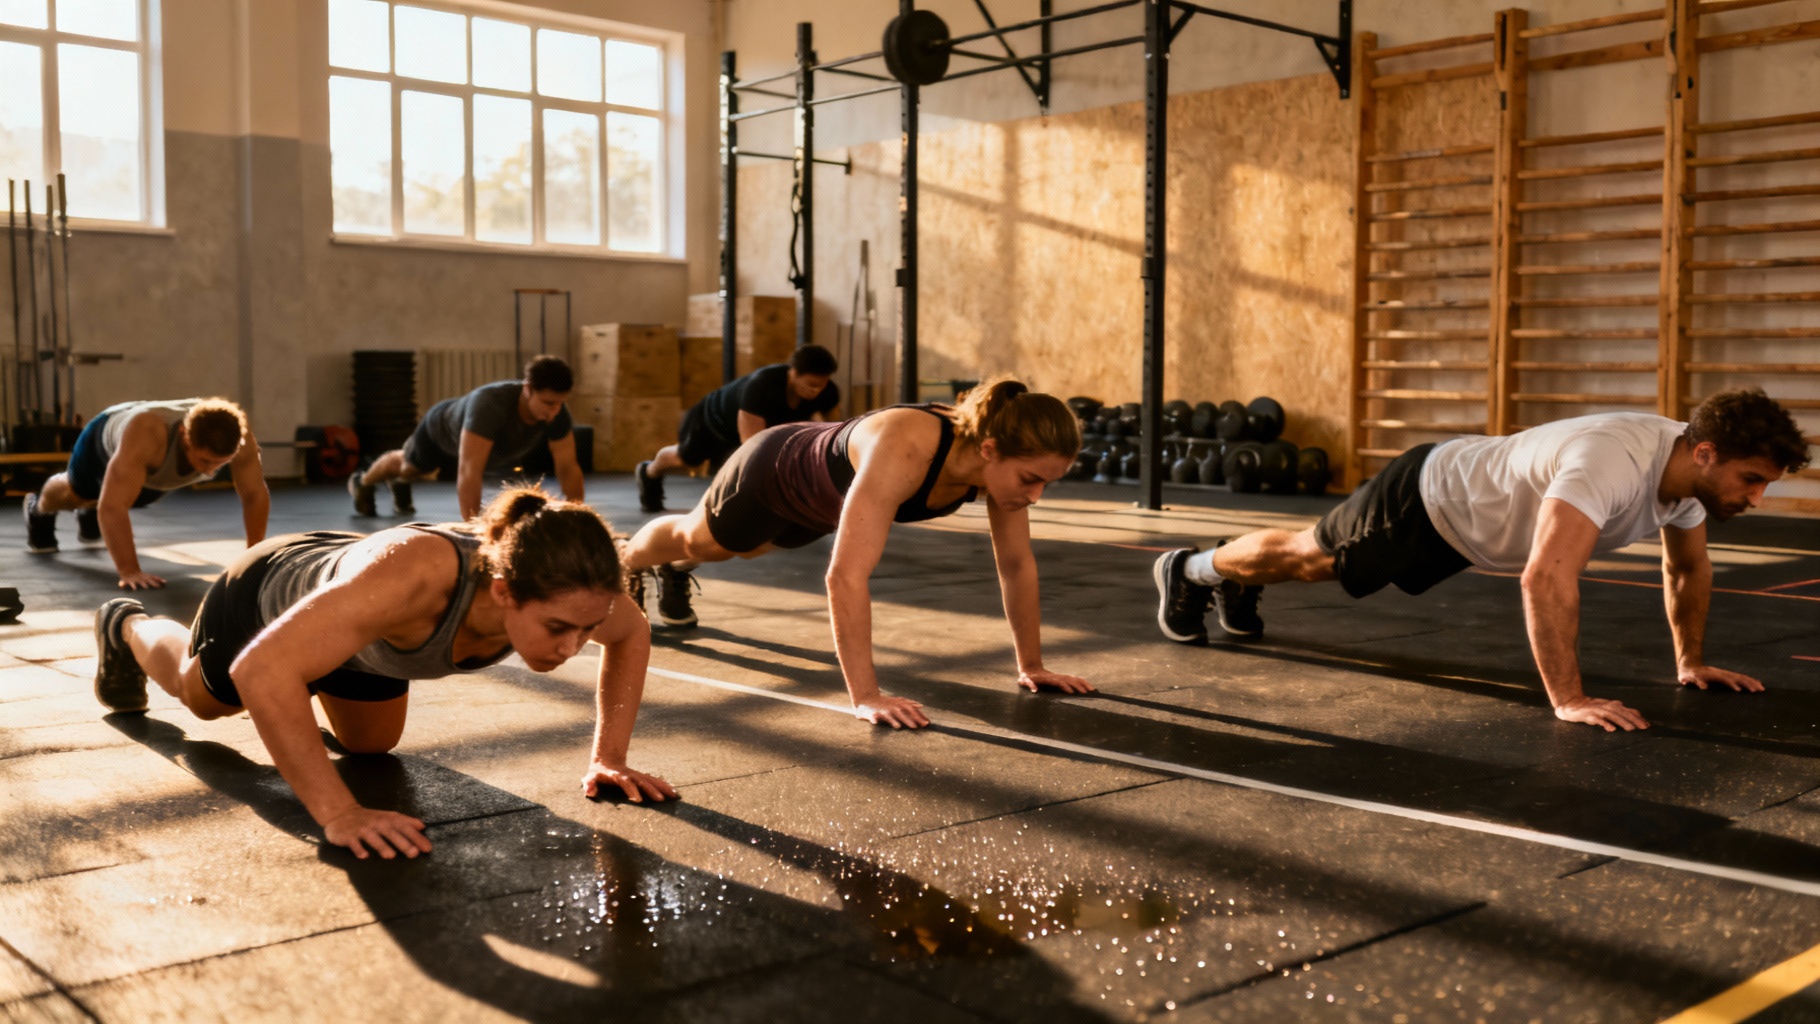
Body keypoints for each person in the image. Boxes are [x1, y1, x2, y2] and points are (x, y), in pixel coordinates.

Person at [1152, 389, 1811, 733]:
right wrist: (1569, 699)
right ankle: (1192, 571)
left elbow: (1688, 569)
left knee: (1315, 563)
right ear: (1705, 453)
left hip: (1468, 528)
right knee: (1309, 559)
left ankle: (1228, 580)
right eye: (1751, 479)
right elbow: (1546, 576)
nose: (1755, 498)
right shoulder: (1610, 463)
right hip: (1430, 497)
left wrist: (1690, 661)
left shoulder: (1689, 487)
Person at [89, 488, 673, 860]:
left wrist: (610, 757)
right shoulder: (413, 581)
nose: (573, 647)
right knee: (206, 701)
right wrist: (338, 815)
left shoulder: (578, 592)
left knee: (371, 745)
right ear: (502, 591)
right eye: (557, 629)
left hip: (355, 630)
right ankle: (128, 626)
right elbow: (259, 667)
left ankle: (309, 664)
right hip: (265, 594)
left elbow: (630, 632)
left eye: (585, 628)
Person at [621, 376, 1095, 729]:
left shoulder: (1001, 470)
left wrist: (1031, 666)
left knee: (749, 550)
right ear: (989, 449)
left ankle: (678, 570)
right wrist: (866, 695)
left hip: (816, 506)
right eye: (1031, 480)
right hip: (773, 471)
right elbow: (844, 577)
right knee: (700, 541)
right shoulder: (907, 447)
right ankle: (625, 557)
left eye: (1045, 483)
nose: (1035, 496)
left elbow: (1016, 564)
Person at [23, 398, 269, 591]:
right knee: (74, 494)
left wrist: (253, 558)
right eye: (205, 460)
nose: (210, 470)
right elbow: (112, 508)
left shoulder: (242, 438)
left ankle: (91, 506)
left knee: (130, 495)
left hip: (151, 476)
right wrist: (129, 571)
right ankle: (36, 507)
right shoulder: (147, 434)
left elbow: (254, 494)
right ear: (184, 436)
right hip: (102, 441)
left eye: (220, 463)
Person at [352, 355, 582, 520]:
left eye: (560, 403)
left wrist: (578, 519)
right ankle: (363, 482)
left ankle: (400, 484)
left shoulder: (557, 414)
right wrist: (474, 530)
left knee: (412, 473)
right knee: (408, 467)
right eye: (548, 403)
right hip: (439, 432)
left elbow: (567, 468)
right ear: (528, 389)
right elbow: (470, 471)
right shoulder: (490, 406)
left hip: (474, 448)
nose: (554, 411)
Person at [635, 344, 842, 513]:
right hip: (711, 420)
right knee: (687, 460)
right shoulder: (762, 386)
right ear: (793, 373)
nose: (816, 391)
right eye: (810, 384)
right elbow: (752, 446)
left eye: (821, 385)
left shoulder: (829, 393)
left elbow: (834, 437)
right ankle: (649, 471)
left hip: (748, 429)